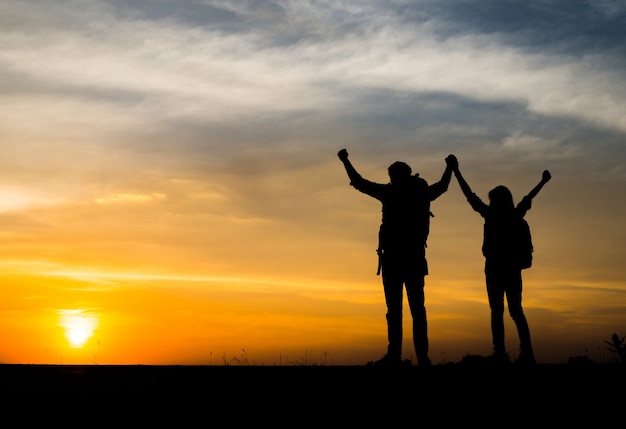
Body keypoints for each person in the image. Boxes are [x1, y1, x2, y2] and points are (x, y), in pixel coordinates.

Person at [338, 148, 457, 367]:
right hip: (411, 258)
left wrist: (345, 161)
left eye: (392, 176)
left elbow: (359, 182)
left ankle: (399, 355)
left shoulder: (390, 193)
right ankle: (418, 356)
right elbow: (442, 186)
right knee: (415, 310)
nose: (391, 180)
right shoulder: (419, 193)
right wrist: (450, 167)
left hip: (396, 259)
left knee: (398, 310)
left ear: (395, 176)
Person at [451, 160, 551, 365]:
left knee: (497, 312)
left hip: (495, 268)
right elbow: (529, 198)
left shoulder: (491, 215)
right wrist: (543, 182)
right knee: (515, 310)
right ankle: (526, 352)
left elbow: (470, 196)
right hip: (512, 268)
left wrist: (456, 171)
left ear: (494, 200)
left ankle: (500, 353)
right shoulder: (515, 214)